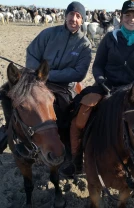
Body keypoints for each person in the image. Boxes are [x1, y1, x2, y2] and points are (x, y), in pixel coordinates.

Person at [60, 0, 134, 177]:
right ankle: (76, 161)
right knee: (79, 120)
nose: (131, 19)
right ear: (121, 17)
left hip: (133, 92)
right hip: (106, 88)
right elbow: (98, 65)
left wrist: (132, 87)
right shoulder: (110, 38)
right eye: (127, 15)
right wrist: (102, 80)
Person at [0, 2, 92, 166]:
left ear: (82, 20)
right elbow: (32, 53)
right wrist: (37, 75)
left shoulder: (84, 45)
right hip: (37, 78)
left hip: (64, 86)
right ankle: (8, 132)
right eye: (72, 14)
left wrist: (48, 76)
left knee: (64, 113)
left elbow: (79, 72)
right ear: (66, 15)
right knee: (7, 93)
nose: (74, 18)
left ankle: (67, 150)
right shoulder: (48, 33)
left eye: (78, 16)